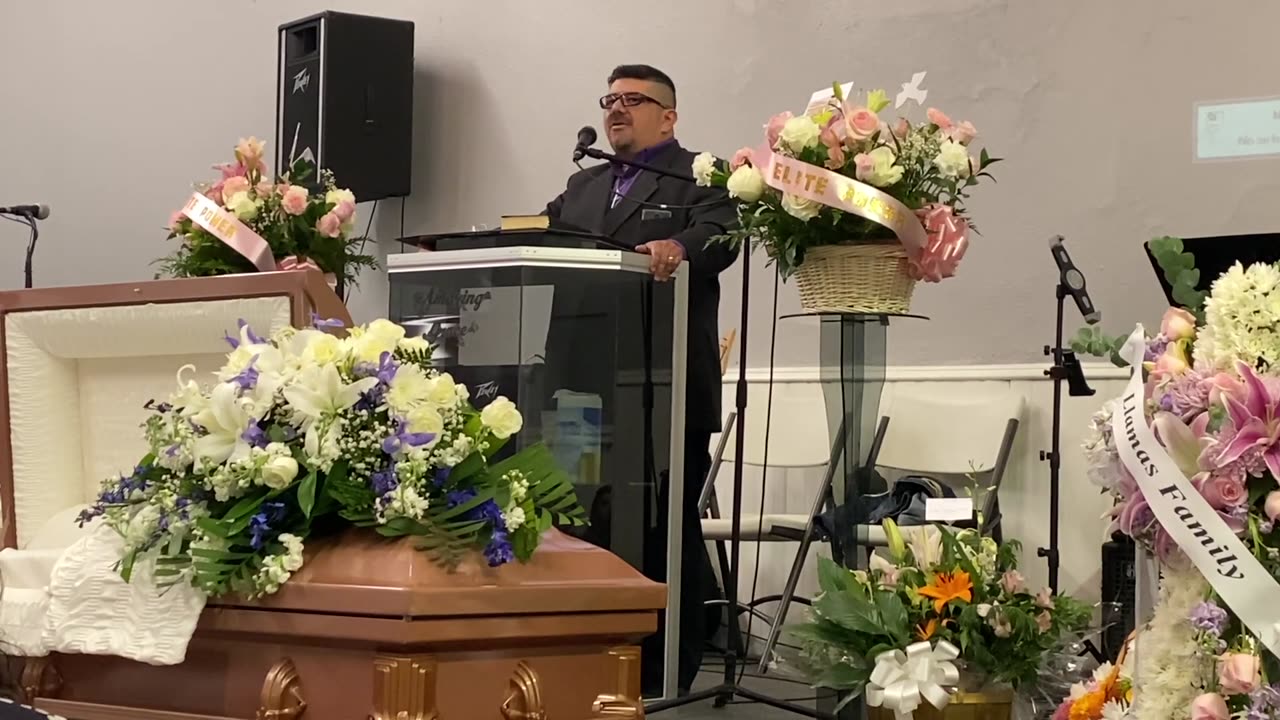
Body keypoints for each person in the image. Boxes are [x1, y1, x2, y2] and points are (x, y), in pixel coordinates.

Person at [544, 64, 738, 695]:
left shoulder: (700, 176)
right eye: (611, 99)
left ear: (669, 116)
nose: (617, 110)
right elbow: (533, 236)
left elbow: (719, 237)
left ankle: (664, 670)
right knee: (578, 521)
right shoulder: (584, 185)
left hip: (662, 384)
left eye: (634, 100)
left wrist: (678, 246)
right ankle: (580, 657)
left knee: (660, 525)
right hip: (579, 386)